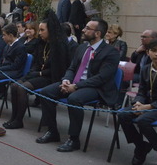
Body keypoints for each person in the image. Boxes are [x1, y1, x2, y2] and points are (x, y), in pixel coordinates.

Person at [37, 18, 120, 152]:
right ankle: (52, 131)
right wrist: (66, 80)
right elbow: (72, 68)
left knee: (74, 98)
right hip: (74, 83)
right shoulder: (82, 47)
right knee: (46, 92)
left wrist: (76, 87)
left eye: (87, 28)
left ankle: (74, 139)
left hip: (96, 88)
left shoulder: (111, 52)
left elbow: (101, 77)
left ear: (98, 33)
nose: (83, 30)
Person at [6, 11, 69, 129]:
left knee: (21, 88)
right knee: (14, 86)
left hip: (50, 78)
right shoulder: (42, 44)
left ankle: (19, 120)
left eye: (42, 30)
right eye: (39, 30)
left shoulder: (59, 46)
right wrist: (34, 71)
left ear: (50, 30)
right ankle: (13, 117)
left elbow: (58, 69)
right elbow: (36, 62)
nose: (39, 33)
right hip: (38, 74)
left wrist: (40, 73)